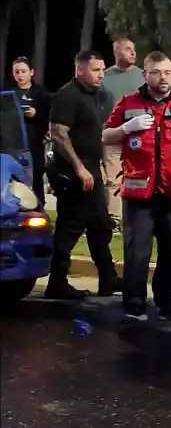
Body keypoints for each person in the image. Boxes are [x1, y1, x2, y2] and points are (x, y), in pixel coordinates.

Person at [101, 51, 171, 321]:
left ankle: (166, 302)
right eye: (157, 72)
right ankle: (134, 302)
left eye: (168, 72)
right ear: (144, 74)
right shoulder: (129, 103)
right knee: (137, 253)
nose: (163, 78)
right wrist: (127, 127)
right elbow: (106, 135)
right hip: (139, 194)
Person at [46, 50, 124, 300]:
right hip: (74, 175)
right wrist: (79, 168)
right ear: (80, 70)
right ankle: (57, 283)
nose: (101, 74)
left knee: (100, 225)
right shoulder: (67, 95)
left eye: (102, 69)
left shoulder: (93, 96)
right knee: (70, 228)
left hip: (92, 171)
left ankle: (108, 279)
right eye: (95, 70)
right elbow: (58, 134)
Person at [100, 38, 144, 235]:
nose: (133, 53)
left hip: (140, 135)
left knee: (138, 177)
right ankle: (114, 220)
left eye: (134, 49)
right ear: (116, 52)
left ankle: (138, 219)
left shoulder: (142, 76)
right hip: (113, 135)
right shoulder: (104, 77)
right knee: (113, 178)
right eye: (127, 49)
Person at [10, 57, 50, 203]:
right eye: (16, 72)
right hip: (13, 144)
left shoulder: (41, 93)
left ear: (31, 72)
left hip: (35, 144)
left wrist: (36, 113)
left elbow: (49, 117)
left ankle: (39, 208)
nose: (20, 75)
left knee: (36, 176)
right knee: (14, 178)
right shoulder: (9, 92)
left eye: (23, 71)